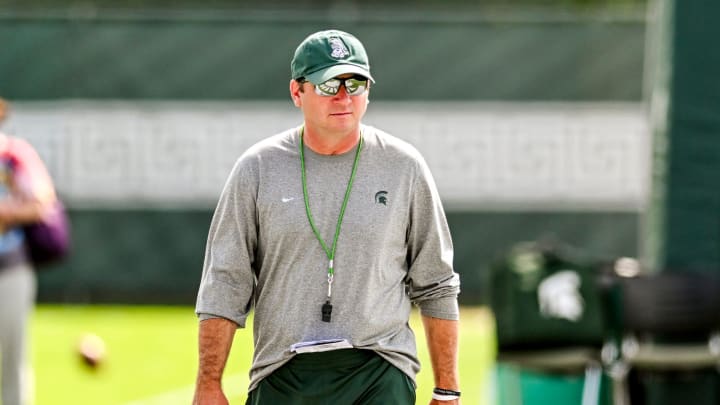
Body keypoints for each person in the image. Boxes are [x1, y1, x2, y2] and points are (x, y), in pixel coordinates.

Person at [193, 29, 461, 405]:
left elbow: (436, 283)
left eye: (355, 83)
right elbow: (225, 282)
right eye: (328, 84)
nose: (343, 96)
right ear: (296, 92)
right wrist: (208, 384)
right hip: (283, 371)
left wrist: (447, 389)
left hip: (380, 368)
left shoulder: (404, 167)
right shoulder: (256, 168)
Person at [0, 98, 57, 405]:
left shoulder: (13, 155)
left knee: (12, 360)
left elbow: (41, 202)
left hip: (8, 269)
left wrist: (6, 211)